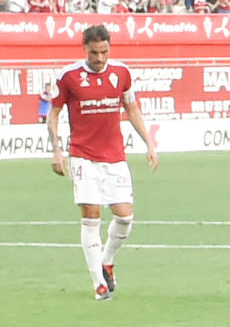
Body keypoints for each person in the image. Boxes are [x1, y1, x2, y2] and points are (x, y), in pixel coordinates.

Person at [47, 24, 159, 300]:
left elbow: (132, 108)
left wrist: (149, 143)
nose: (99, 58)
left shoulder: (121, 73)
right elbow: (54, 114)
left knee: (125, 216)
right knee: (91, 217)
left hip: (115, 156)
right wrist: (57, 151)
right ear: (84, 49)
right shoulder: (69, 76)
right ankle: (98, 283)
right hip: (83, 156)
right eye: (94, 52)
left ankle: (107, 261)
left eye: (104, 52)